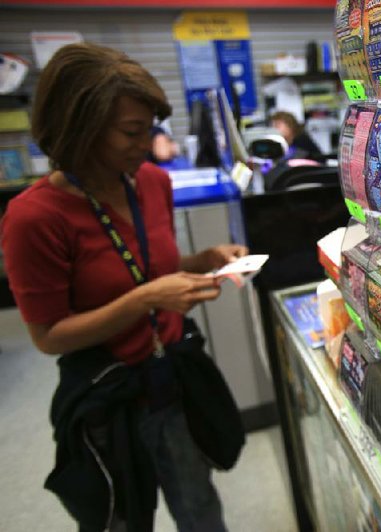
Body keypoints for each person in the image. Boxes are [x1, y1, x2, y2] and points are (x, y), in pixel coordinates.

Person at [0, 42, 246, 531]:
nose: (146, 143)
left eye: (150, 129)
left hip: (171, 381)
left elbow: (146, 262)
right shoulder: (34, 217)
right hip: (110, 401)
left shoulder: (152, 182)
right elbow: (49, 335)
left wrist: (205, 260)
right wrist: (147, 300)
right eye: (132, 132)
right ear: (81, 127)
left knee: (200, 509)